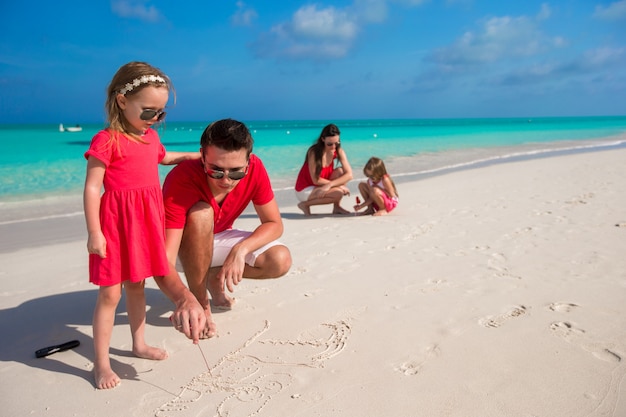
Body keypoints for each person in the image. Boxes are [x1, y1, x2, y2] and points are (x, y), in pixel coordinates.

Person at [83, 61, 200, 390]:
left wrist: (195, 157)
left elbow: (163, 157)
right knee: (109, 294)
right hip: (115, 225)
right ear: (122, 101)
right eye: (149, 111)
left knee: (136, 285)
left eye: (161, 113)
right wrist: (94, 232)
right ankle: (102, 363)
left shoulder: (149, 138)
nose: (155, 119)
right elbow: (93, 187)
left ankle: (138, 343)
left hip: (145, 223)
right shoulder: (107, 140)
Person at [160, 118, 292, 341]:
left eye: (236, 172)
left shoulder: (256, 168)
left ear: (248, 163)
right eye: (217, 171)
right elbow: (165, 259)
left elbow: (274, 223)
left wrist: (240, 250)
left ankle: (212, 277)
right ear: (202, 157)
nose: (227, 180)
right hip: (180, 247)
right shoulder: (182, 179)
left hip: (218, 239)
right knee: (202, 213)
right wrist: (185, 300)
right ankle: (202, 303)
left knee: (280, 259)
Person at [294, 123, 353, 215]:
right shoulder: (313, 152)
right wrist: (337, 185)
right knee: (338, 193)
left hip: (322, 185)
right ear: (322, 139)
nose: (333, 147)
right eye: (329, 144)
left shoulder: (338, 151)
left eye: (337, 143)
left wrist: (331, 185)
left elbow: (349, 174)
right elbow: (315, 180)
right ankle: (305, 204)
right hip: (306, 189)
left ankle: (336, 207)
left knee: (340, 171)